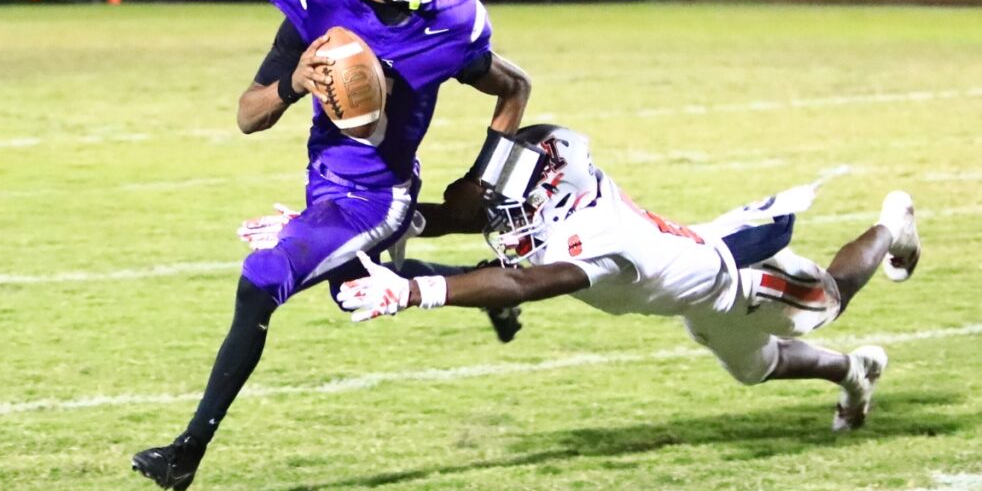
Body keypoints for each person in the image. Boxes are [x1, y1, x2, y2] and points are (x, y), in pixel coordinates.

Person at [131, 0, 531, 491]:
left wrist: (486, 180)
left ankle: (187, 449)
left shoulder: (449, 22)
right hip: (326, 186)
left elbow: (515, 87)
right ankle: (490, 289)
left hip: (378, 199)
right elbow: (249, 115)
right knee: (353, 291)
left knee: (262, 278)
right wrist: (294, 82)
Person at [336, 124, 922, 432]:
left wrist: (414, 290)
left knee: (832, 299)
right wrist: (370, 219)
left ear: (552, 195)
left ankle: (892, 223)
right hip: (694, 294)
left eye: (514, 202)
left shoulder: (592, 235)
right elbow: (469, 214)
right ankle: (854, 374)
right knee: (756, 367)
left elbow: (523, 285)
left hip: (738, 273)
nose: (501, 213)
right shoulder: (558, 205)